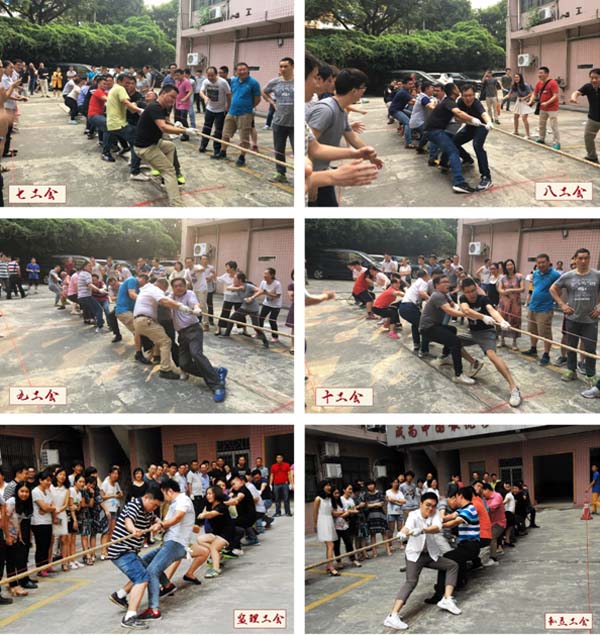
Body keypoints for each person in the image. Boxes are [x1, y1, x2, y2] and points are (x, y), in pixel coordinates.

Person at [382, 492, 461, 631]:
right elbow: (407, 527)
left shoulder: (436, 514)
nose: (430, 508)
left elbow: (437, 527)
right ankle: (392, 616)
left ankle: (447, 599)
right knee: (411, 582)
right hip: (415, 555)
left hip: (430, 554)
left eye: (433, 506)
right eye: (427, 505)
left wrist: (422, 530)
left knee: (452, 566)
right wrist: (402, 533)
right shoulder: (413, 515)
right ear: (421, 504)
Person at [306, 67, 383, 206]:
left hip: (322, 171)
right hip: (313, 173)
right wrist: (311, 181)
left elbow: (352, 137)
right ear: (354, 91)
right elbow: (308, 146)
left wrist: (372, 156)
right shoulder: (326, 110)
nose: (363, 92)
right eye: (363, 88)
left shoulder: (340, 109)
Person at [133, 85, 199, 207]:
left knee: (170, 146)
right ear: (163, 93)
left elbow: (165, 122)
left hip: (153, 143)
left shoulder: (161, 108)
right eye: (171, 97)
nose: (173, 101)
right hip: (145, 148)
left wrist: (176, 125)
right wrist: (185, 131)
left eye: (175, 98)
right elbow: (163, 127)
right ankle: (177, 205)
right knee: (170, 171)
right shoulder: (154, 107)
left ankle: (165, 179)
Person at [107, 488, 163, 629]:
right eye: (154, 505)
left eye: (157, 507)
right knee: (142, 578)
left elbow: (155, 518)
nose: (154, 508)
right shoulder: (134, 506)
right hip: (121, 551)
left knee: (143, 571)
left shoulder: (148, 510)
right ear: (146, 498)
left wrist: (158, 523)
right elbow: (128, 520)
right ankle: (129, 618)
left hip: (130, 551)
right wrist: (133, 530)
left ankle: (120, 595)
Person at [169, 276, 227, 402]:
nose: (178, 288)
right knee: (184, 364)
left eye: (181, 285)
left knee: (196, 354)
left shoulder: (189, 294)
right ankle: (217, 372)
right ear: (172, 288)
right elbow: (164, 302)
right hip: (181, 334)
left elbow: (195, 303)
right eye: (175, 286)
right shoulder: (171, 297)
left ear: (185, 286)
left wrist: (196, 308)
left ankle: (217, 385)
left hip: (193, 330)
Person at [424, 82, 486, 194]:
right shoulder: (449, 102)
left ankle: (444, 164)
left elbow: (458, 118)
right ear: (453, 90)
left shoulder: (449, 102)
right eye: (457, 88)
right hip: (434, 131)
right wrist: (472, 119)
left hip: (434, 130)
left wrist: (471, 122)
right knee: (453, 151)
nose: (459, 89)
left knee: (452, 141)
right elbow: (458, 112)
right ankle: (459, 183)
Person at [550, 248, 600, 385]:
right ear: (575, 260)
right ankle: (571, 370)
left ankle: (590, 374)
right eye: (580, 258)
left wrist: (599, 308)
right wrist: (562, 305)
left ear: (589, 259)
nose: (583, 261)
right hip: (572, 318)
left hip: (590, 320)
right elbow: (553, 289)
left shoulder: (597, 275)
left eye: (586, 258)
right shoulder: (568, 276)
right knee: (571, 346)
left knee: (590, 348)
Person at [419, 275, 479, 384]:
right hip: (427, 328)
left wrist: (465, 309)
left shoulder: (445, 294)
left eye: (448, 281)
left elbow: (453, 305)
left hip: (434, 325)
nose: (447, 284)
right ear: (437, 285)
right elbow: (450, 311)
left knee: (452, 330)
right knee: (455, 342)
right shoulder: (437, 295)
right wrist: (469, 314)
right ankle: (458, 375)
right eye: (444, 282)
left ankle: (445, 356)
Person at [218, 62, 261, 166]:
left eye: (244, 69)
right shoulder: (233, 81)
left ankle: (242, 157)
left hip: (245, 114)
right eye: (239, 70)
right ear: (236, 71)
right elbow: (231, 93)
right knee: (225, 134)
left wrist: (248, 107)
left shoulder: (254, 83)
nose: (242, 72)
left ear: (247, 70)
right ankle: (223, 152)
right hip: (232, 112)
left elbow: (257, 99)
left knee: (244, 137)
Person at [522, 253, 561, 366]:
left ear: (548, 262)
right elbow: (534, 288)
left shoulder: (555, 275)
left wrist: (553, 300)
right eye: (538, 263)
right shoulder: (535, 273)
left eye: (543, 262)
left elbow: (559, 291)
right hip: (532, 307)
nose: (541, 265)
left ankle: (546, 354)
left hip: (545, 309)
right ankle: (533, 349)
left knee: (545, 333)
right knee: (532, 330)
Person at [454, 84, 494, 191]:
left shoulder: (476, 103)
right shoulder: (460, 102)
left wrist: (489, 122)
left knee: (477, 146)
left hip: (482, 126)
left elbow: (484, 114)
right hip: (470, 126)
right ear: (461, 96)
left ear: (474, 95)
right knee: (454, 142)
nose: (468, 98)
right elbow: (457, 118)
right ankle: (467, 159)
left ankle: (486, 177)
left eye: (470, 95)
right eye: (465, 96)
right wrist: (469, 121)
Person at [262, 57, 294, 184]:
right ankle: (280, 173)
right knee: (279, 150)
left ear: (292, 67)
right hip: (279, 122)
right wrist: (272, 103)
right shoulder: (275, 82)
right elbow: (264, 92)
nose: (283, 69)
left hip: (295, 123)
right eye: (281, 66)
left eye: (286, 66)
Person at [199, 66, 231, 157]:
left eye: (212, 75)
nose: (210, 77)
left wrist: (228, 106)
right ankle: (203, 145)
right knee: (206, 128)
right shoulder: (206, 81)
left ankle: (217, 149)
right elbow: (201, 91)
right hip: (209, 109)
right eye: (208, 75)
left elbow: (229, 95)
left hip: (220, 111)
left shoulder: (223, 82)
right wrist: (205, 97)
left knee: (218, 131)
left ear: (216, 74)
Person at [569, 68, 600, 163]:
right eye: (592, 78)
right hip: (593, 119)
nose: (593, 80)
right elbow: (577, 92)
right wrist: (573, 98)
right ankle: (592, 156)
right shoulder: (588, 87)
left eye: (596, 78)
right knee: (588, 137)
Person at [31, 469, 56, 576]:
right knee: (41, 545)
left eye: (50, 480)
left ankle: (46, 565)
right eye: (47, 480)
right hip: (38, 523)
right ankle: (40, 568)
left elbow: (52, 506)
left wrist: (48, 508)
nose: (49, 482)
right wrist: (49, 508)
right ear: (40, 480)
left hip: (47, 521)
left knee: (47, 545)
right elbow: (45, 507)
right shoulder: (36, 492)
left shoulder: (48, 491)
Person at [530, 66, 561, 150]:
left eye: (541, 73)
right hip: (542, 108)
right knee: (541, 124)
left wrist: (547, 103)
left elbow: (555, 96)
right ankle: (541, 138)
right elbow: (534, 93)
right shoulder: (539, 83)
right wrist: (531, 101)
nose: (539, 75)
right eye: (538, 73)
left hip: (552, 108)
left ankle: (557, 142)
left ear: (547, 74)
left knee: (553, 125)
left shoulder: (553, 83)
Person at [497, 259, 525, 350]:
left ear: (514, 265)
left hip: (515, 303)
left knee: (514, 321)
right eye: (507, 265)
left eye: (511, 264)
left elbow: (522, 289)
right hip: (504, 303)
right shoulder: (502, 277)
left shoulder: (519, 276)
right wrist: (503, 292)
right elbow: (499, 289)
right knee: (502, 320)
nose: (509, 267)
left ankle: (514, 342)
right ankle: (502, 340)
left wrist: (511, 290)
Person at [313, 480, 339, 576]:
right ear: (322, 487)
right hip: (322, 522)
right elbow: (315, 513)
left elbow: (332, 511)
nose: (329, 487)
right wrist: (315, 525)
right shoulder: (318, 499)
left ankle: (328, 566)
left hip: (329, 521)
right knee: (331, 545)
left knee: (329, 546)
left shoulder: (329, 498)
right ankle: (331, 567)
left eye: (329, 485)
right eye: (327, 486)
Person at [505, 72, 534, 138]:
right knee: (515, 116)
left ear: (520, 78)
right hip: (518, 101)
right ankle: (516, 131)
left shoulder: (525, 85)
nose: (516, 78)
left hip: (525, 101)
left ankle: (528, 135)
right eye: (515, 77)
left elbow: (531, 93)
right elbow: (509, 94)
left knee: (524, 118)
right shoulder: (514, 85)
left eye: (517, 77)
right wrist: (503, 98)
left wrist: (524, 98)